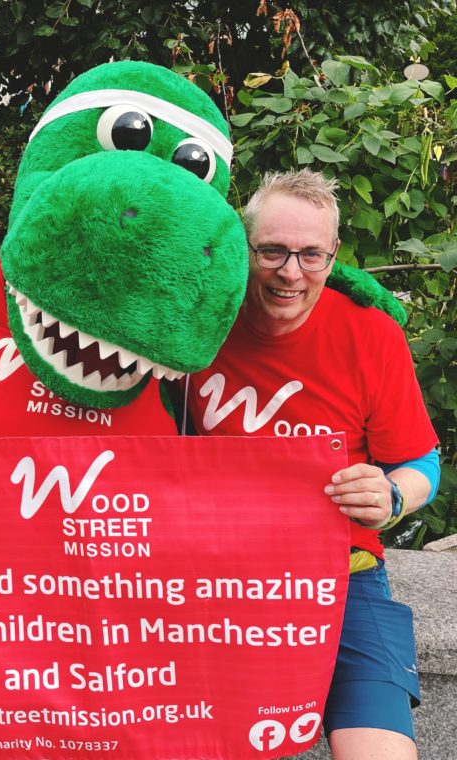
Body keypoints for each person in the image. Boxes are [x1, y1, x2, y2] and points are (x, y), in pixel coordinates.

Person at [188, 169, 440, 760]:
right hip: (207, 573)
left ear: (333, 255)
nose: (291, 272)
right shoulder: (198, 320)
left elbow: (419, 460)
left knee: (379, 747)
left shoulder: (370, 332)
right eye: (272, 250)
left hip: (342, 574)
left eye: (311, 255)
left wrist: (391, 496)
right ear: (244, 245)